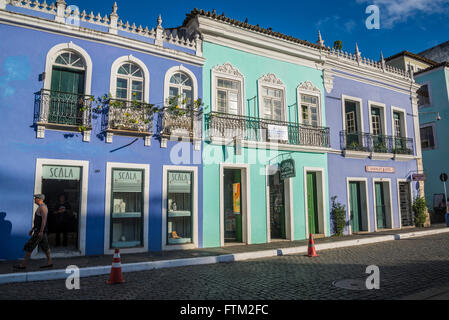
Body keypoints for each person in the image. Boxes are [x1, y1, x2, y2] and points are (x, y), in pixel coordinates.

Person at [14, 194, 52, 270]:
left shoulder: (43, 208)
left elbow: (44, 221)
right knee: (45, 247)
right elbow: (38, 221)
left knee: (29, 247)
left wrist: (41, 231)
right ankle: (49, 262)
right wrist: (32, 229)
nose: (34, 199)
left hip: (39, 232)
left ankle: (23, 265)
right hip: (39, 231)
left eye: (36, 198)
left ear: (40, 199)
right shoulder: (40, 207)